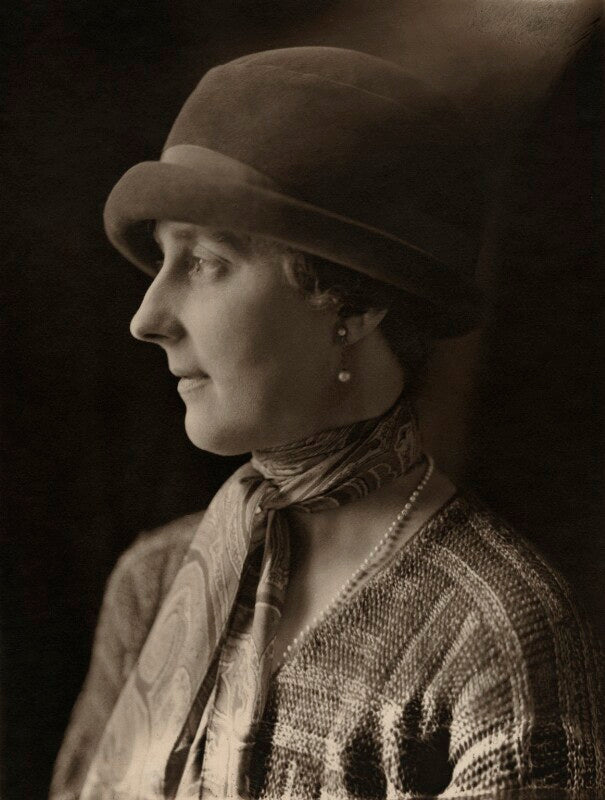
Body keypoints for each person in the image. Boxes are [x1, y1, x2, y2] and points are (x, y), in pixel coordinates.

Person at [49, 47, 603, 800]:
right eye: (161, 261)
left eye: (205, 261)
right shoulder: (152, 584)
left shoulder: (492, 633)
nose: (147, 318)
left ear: (354, 302)